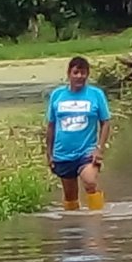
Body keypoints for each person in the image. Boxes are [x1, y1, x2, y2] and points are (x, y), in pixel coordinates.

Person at [45, 56, 112, 211]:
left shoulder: (96, 94)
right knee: (70, 196)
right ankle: (72, 226)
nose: (79, 76)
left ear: (87, 75)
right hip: (63, 153)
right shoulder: (57, 95)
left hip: (87, 151)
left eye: (83, 73)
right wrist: (49, 153)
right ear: (69, 74)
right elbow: (51, 125)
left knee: (89, 181)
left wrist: (99, 148)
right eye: (76, 72)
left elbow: (105, 122)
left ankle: (97, 220)